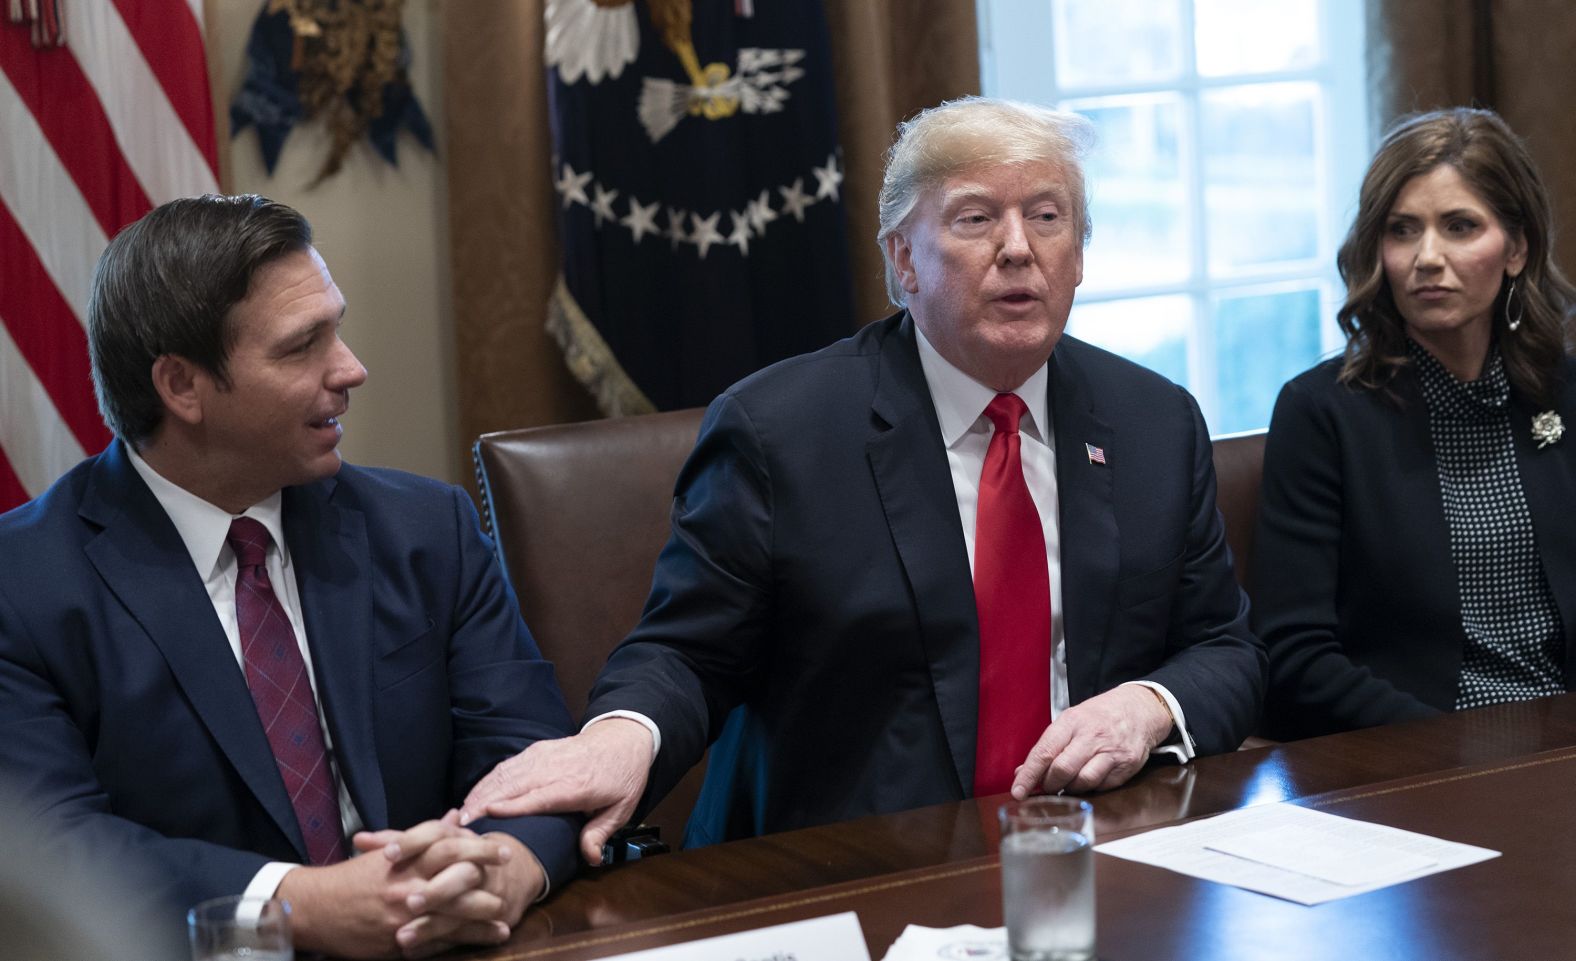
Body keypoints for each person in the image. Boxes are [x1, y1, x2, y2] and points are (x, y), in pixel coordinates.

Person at [463, 97, 1266, 858]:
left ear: (1080, 254)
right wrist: (619, 737)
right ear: (902, 258)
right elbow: (688, 654)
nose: (1019, 247)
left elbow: (1224, 648)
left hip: (1091, 853)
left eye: (1048, 217)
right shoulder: (780, 432)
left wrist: (1149, 706)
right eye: (976, 217)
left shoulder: (1154, 422)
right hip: (851, 868)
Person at [0, 195, 580, 958]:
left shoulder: (426, 529)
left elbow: (529, 750)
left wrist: (507, 864)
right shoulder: (24, 584)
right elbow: (55, 847)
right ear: (181, 386)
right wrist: (294, 903)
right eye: (303, 345)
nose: (352, 368)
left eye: (336, 328)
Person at [1253, 107, 1576, 739]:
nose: (1428, 257)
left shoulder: (1565, 391)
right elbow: (1293, 657)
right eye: (1403, 231)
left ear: (1516, 248)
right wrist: (1456, 750)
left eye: (1460, 227)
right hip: (1413, 757)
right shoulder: (1323, 413)